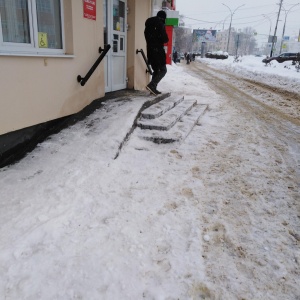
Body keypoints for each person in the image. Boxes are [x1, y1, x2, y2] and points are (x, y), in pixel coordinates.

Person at [144, 10, 169, 95]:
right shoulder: (160, 24)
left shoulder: (148, 26)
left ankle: (153, 88)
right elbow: (165, 39)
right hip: (158, 51)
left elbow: (149, 38)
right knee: (163, 70)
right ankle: (152, 85)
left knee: (156, 70)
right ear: (163, 18)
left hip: (150, 51)